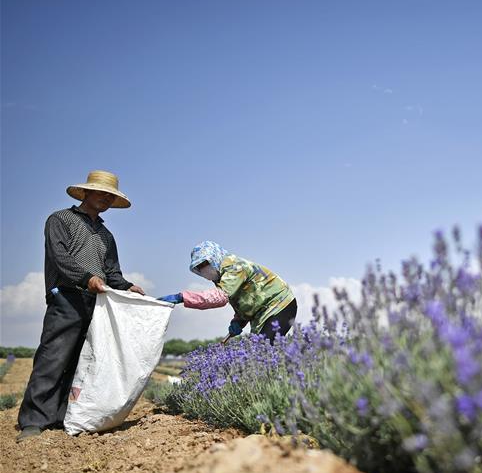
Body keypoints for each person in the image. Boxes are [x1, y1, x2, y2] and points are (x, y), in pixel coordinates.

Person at [16, 170, 145, 442]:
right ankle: (34, 421)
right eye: (101, 192)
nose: (106, 198)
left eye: (111, 195)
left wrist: (126, 286)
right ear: (85, 192)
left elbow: (112, 272)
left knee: (79, 362)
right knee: (53, 358)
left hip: (95, 302)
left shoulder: (106, 235)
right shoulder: (61, 219)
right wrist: (87, 278)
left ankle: (62, 417)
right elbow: (59, 257)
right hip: (66, 297)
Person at [157, 241, 297, 343]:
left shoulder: (234, 267)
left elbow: (220, 297)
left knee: (263, 349)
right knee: (258, 351)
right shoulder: (221, 276)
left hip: (280, 306)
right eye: (199, 267)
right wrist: (239, 321)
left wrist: (182, 297)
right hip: (262, 313)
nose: (203, 269)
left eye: (205, 264)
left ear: (214, 258)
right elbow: (245, 301)